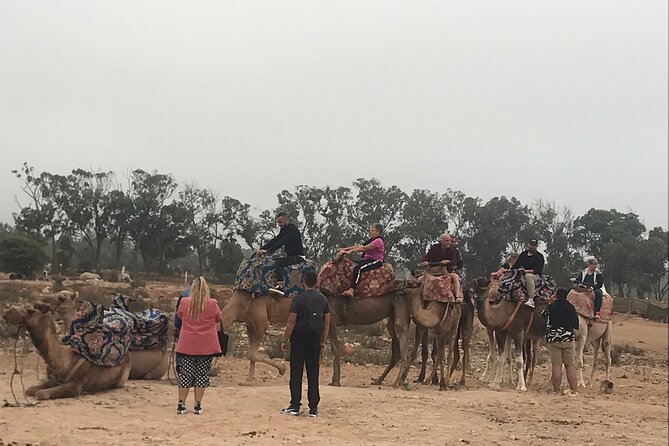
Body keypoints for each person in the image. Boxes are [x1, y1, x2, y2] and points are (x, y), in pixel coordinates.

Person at [280, 271, 331, 417]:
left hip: (298, 339)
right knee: (313, 373)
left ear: (303, 282)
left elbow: (291, 321)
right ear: (316, 283)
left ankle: (295, 405)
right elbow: (327, 322)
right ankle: (313, 408)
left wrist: (285, 339)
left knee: (296, 372)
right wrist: (323, 340)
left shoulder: (298, 299)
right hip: (314, 339)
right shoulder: (323, 300)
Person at [175, 276, 222, 415]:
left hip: (187, 344)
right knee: (201, 374)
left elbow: (179, 316)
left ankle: (181, 404)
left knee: (186, 374)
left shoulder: (184, 302)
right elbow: (219, 318)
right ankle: (197, 405)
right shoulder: (213, 303)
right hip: (206, 346)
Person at [541, 287, 579, 395]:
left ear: (556, 295)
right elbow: (576, 324)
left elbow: (543, 315)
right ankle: (574, 390)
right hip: (568, 339)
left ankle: (556, 391)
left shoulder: (552, 307)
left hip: (554, 340)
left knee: (556, 365)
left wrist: (551, 302)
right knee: (570, 365)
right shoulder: (570, 307)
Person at [337, 223, 385, 298]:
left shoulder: (378, 241)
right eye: (370, 230)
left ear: (378, 231)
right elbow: (360, 246)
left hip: (375, 261)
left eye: (372, 230)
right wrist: (344, 249)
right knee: (350, 264)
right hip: (367, 259)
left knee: (358, 268)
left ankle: (352, 290)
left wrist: (350, 252)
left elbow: (363, 249)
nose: (370, 232)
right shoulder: (371, 240)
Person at [259, 212, 306, 285]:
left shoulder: (292, 230)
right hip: (290, 256)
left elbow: (282, 241)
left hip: (297, 257)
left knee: (278, 264)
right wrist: (263, 248)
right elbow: (277, 239)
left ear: (286, 220)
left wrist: (269, 251)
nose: (279, 224)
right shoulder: (284, 229)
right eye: (278, 222)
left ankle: (280, 283)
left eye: (280, 222)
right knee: (271, 262)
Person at [420, 233, 464, 303]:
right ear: (441, 241)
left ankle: (457, 296)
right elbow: (427, 257)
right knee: (419, 279)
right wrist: (424, 262)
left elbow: (455, 261)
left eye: (449, 241)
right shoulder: (434, 248)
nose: (449, 242)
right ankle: (419, 298)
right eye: (447, 241)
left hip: (447, 272)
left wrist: (448, 262)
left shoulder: (453, 251)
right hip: (432, 273)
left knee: (455, 277)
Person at [512, 239, 545, 307]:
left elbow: (538, 269)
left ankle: (531, 299)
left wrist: (526, 271)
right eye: (531, 244)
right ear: (528, 245)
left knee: (528, 276)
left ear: (536, 246)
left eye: (534, 245)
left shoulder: (539, 256)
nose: (532, 246)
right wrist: (507, 271)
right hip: (522, 275)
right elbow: (516, 265)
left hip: (535, 276)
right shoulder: (523, 254)